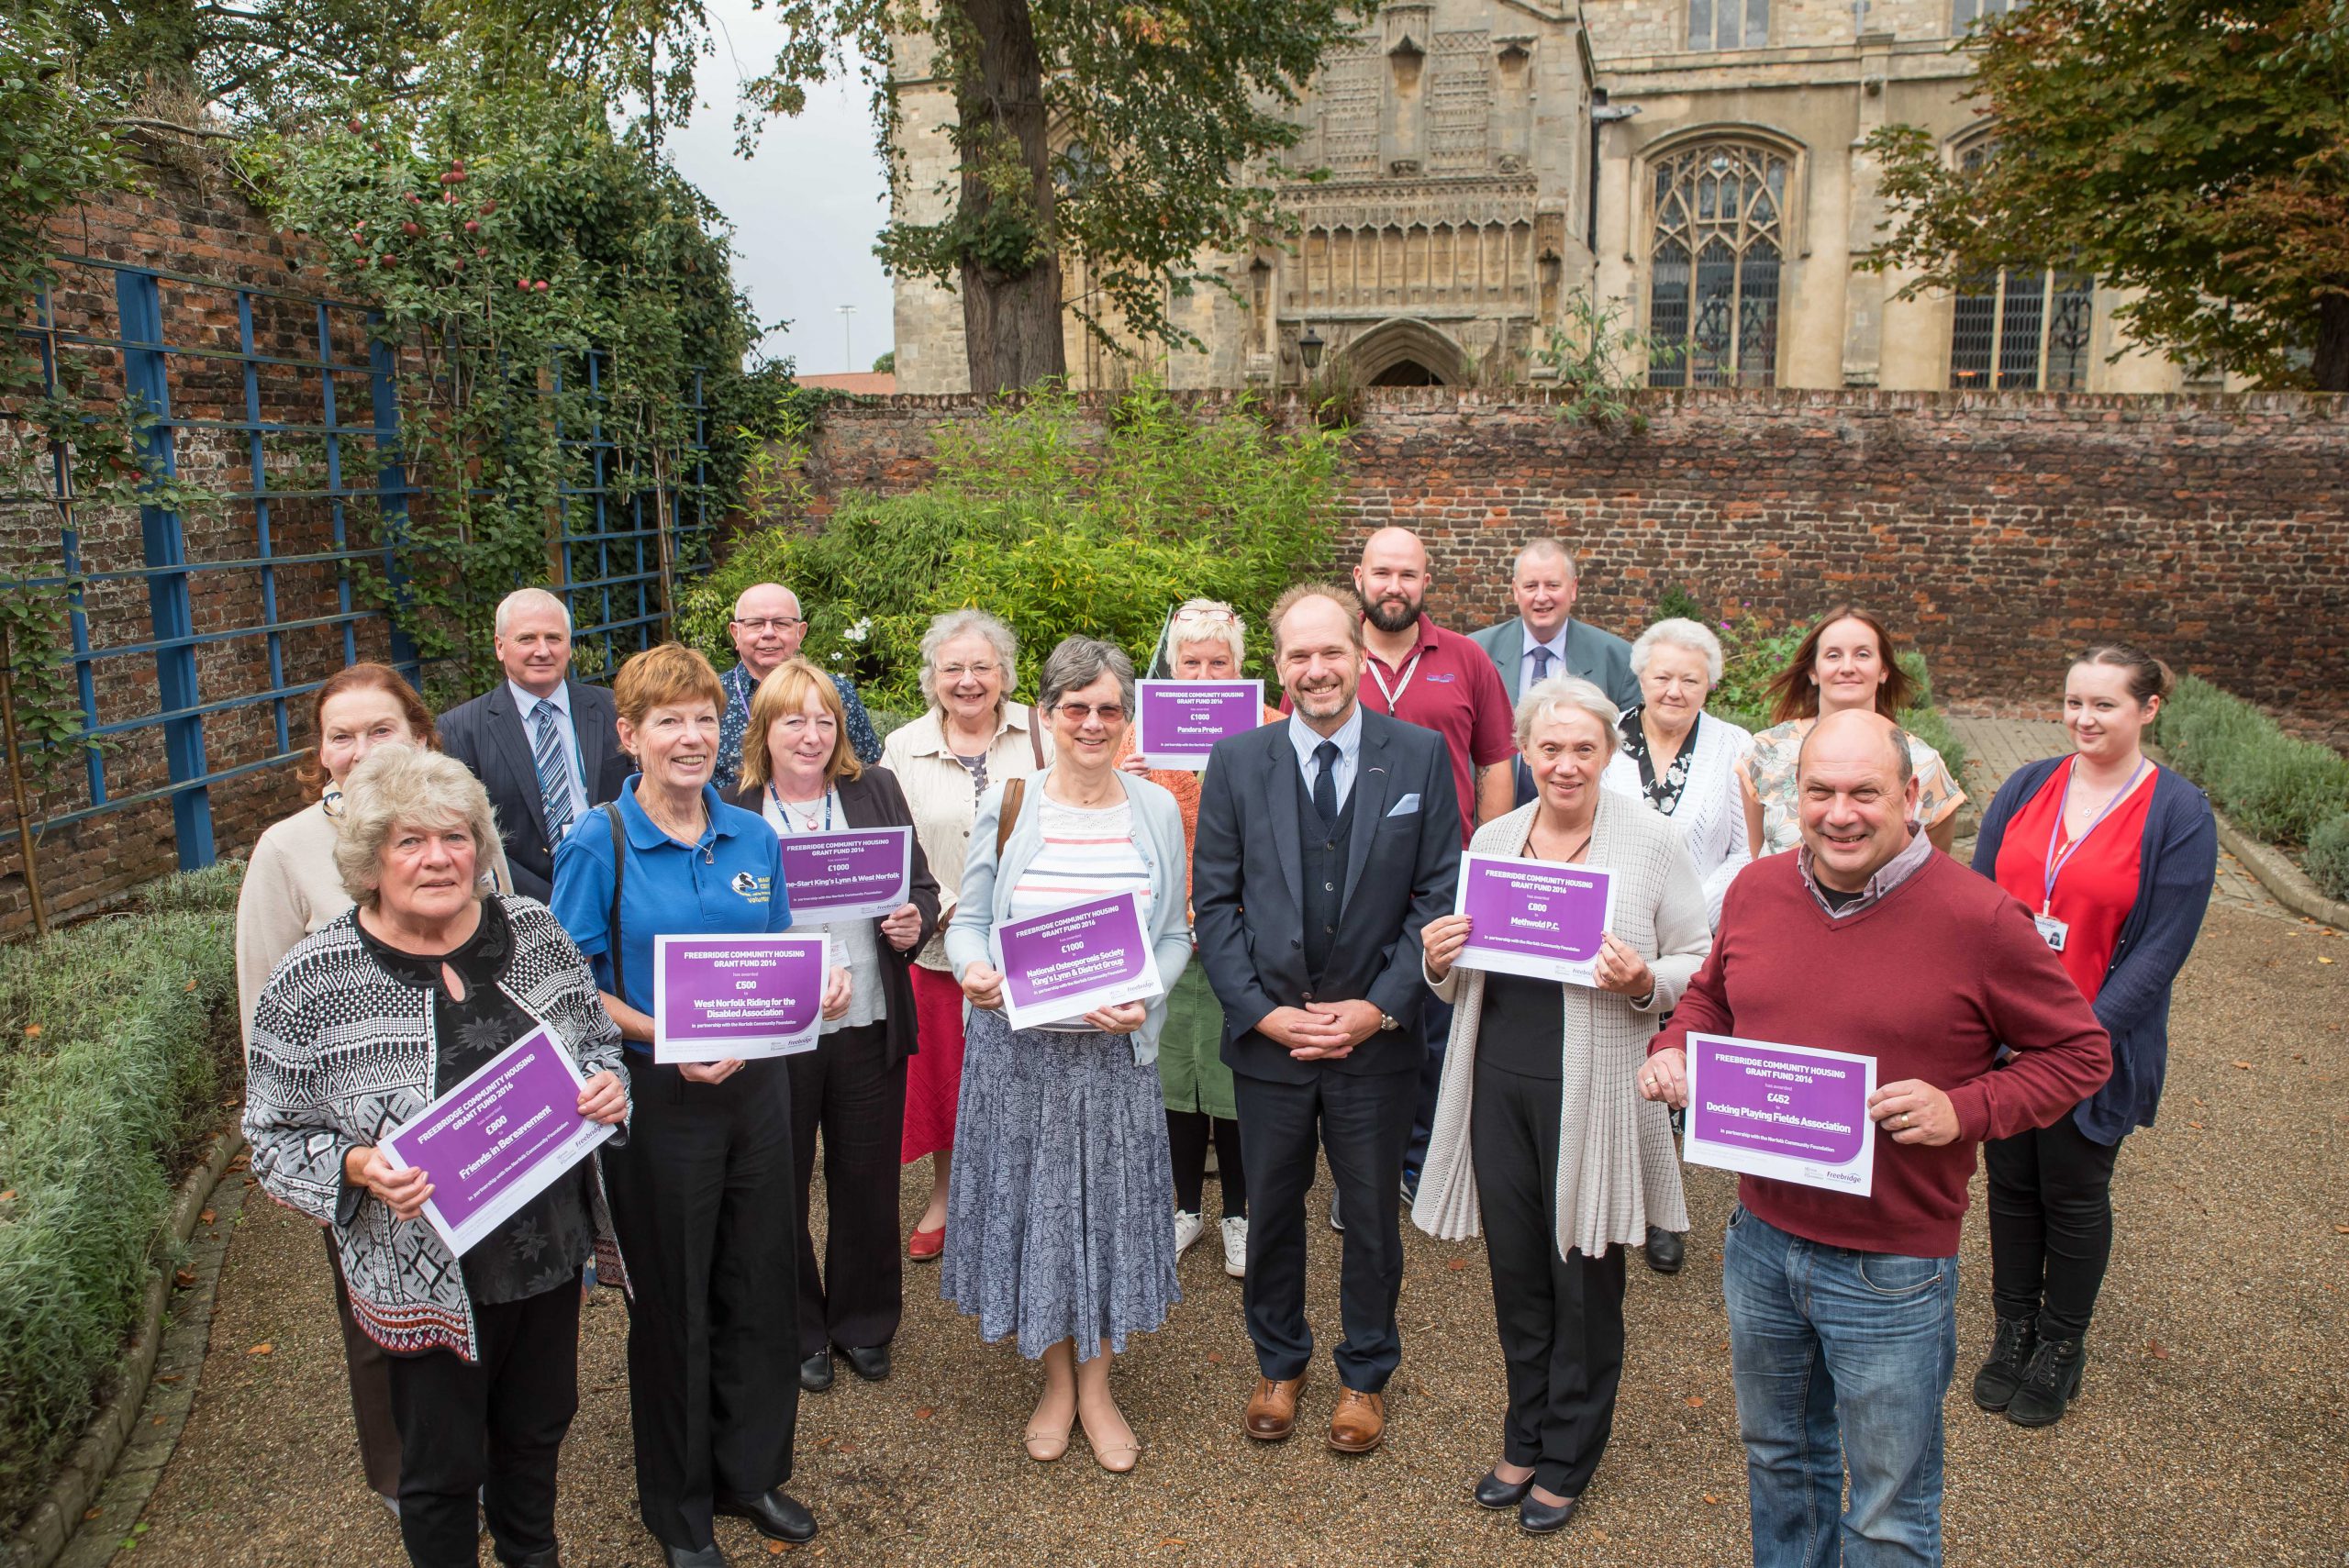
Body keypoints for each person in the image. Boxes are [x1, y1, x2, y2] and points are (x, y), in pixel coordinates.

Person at [1642, 710, 2111, 1568]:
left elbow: (2082, 1051)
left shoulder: (1979, 918)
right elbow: (1712, 996)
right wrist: (1675, 1043)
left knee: (1890, 1503)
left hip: (1891, 1265)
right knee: (1781, 1461)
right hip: (1760, 1242)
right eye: (1819, 791)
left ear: (1913, 796)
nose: (1840, 812)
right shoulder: (1758, 889)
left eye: (1865, 791)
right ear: (1794, 798)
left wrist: (1962, 1109)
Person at [243, 746, 629, 1568]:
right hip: (421, 1273)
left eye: (456, 837)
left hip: (548, 1252)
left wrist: (607, 1084)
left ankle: (534, 1556)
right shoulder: (313, 980)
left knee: (534, 1438)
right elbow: (270, 1138)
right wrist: (353, 1166)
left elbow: (595, 1044)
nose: (439, 858)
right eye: (410, 842)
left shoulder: (535, 931)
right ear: (370, 859)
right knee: (442, 1470)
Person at [550, 643, 846, 1568]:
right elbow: (568, 983)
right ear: (629, 733)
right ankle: (677, 1506)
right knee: (674, 1298)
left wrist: (816, 989)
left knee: (759, 1279)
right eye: (666, 719)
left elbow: (775, 953)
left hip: (757, 1088)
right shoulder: (597, 839)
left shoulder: (753, 834)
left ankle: (749, 1469)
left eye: (703, 718)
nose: (688, 736)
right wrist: (667, 1038)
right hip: (659, 1101)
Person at [1413, 675, 1711, 1536]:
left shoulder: (1650, 841)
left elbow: (1702, 957)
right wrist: (1439, 958)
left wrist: (1648, 980)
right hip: (1498, 1078)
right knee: (1517, 1272)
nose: (1566, 764)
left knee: (1582, 1273)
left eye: (1584, 748)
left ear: (1608, 755)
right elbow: (1461, 973)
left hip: (1599, 1086)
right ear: (1527, 752)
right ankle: (1525, 1430)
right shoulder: (1500, 834)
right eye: (1550, 747)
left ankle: (1571, 1450)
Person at [234, 662, 511, 1514]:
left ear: (421, 735)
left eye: (378, 730)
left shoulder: (460, 821)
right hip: (365, 1149)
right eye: (340, 736)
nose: (359, 751)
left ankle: (490, 1444)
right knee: (378, 1307)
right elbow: (262, 1008)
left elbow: (501, 944)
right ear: (320, 754)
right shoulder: (286, 849)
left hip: (480, 1119)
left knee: (491, 1286)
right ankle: (404, 1473)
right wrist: (317, 1150)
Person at [1193, 583, 1462, 1457]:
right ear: (1280, 666)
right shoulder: (1237, 761)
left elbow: (1437, 895)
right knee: (1270, 1209)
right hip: (1271, 1044)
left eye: (1332, 652)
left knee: (1372, 1218)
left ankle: (1364, 1374)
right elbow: (1217, 903)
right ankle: (1279, 1361)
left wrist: (1379, 1008)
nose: (1318, 669)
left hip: (1373, 1046)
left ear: (1359, 654)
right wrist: (1265, 1014)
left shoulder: (1418, 756)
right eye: (1300, 655)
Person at [941, 638, 1193, 1473]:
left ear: (1128, 719)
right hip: (1020, 1058)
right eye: (1075, 708)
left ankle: (1098, 1386)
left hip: (1114, 1060)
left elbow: (1173, 934)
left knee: (1109, 1217)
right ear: (1045, 718)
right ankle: (1056, 1381)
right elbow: (970, 919)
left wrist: (1148, 994)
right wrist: (975, 964)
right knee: (1038, 1216)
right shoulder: (1011, 802)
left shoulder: (1155, 807)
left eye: (1109, 709)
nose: (1092, 723)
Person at [1967, 645, 2216, 1429]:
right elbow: (1975, 902)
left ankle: (2060, 1346)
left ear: (2148, 709)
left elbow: (2160, 953)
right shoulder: (2026, 784)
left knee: (2072, 1194)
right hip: (2003, 1042)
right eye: (2075, 700)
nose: (2083, 718)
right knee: (2009, 1186)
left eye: (2104, 704)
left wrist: (2072, 1040)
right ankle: (2012, 1330)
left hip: (2092, 1049)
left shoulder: (2179, 814)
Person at [728, 658, 941, 1395]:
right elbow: (726, 930)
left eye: (824, 719)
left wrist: (915, 921)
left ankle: (864, 1321)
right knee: (778, 1185)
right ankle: (799, 1326)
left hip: (868, 1023)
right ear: (765, 729)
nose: (811, 734)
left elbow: (922, 887)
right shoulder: (735, 809)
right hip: (778, 1035)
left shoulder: (875, 789)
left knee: (868, 1179)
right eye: (794, 719)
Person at [1344, 526, 1517, 1205]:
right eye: (1383, 572)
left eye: (1408, 574)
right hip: (1351, 875)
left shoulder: (1467, 659)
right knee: (1360, 1018)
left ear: (1426, 582)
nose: (1395, 586)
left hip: (1446, 871)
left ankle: (1423, 1160)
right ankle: (1361, 1170)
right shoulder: (1335, 653)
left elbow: (1495, 761)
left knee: (1435, 1027)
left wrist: (1490, 859)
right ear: (1359, 577)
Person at [1115, 598, 1281, 1279]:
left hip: (1246, 936)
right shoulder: (1137, 738)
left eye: (1219, 662)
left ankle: (1240, 1212)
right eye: (1192, 662)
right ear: (1172, 668)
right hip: (1165, 933)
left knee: (1234, 1079)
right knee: (1173, 1076)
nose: (1205, 673)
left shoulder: (1274, 732)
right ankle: (1186, 1205)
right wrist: (1127, 782)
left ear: (1239, 670)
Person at [879, 609, 1052, 1259]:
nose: (968, 680)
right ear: (933, 678)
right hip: (939, 945)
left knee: (1031, 1079)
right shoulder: (901, 746)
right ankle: (946, 1197)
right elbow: (895, 844)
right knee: (949, 1082)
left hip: (1031, 944)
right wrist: (954, 911)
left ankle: (1028, 1201)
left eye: (982, 666)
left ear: (1004, 673)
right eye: (953, 667)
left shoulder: (1043, 731)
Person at [440, 587, 629, 901]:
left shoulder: (614, 708)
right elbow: (467, 833)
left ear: (569, 645)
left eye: (553, 638)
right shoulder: (461, 728)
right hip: (524, 902)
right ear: (500, 647)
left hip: (621, 889)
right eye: (526, 639)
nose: (542, 651)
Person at [1736, 606, 1965, 859]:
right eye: (1833, 655)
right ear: (1813, 671)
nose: (1847, 667)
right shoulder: (1766, 751)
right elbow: (1758, 857)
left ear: (1883, 670)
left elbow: (1930, 870)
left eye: (1863, 655)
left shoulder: (1923, 763)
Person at [1602, 617, 1755, 931]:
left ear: (1709, 686)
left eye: (1690, 681)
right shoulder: (1601, 737)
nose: (1674, 691)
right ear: (1641, 677)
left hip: (1704, 935)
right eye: (1662, 677)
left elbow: (1748, 849)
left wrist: (1691, 919)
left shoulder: (1735, 744)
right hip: (1610, 932)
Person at [713, 582, 882, 790]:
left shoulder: (838, 692)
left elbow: (868, 768)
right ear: (735, 633)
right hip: (731, 820)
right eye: (755, 624)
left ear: (800, 633)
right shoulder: (712, 697)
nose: (768, 633)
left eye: (781, 624)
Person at [1468, 539, 1642, 711]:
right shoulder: (1475, 653)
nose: (1541, 597)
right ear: (1515, 590)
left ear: (1573, 588)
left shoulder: (1619, 659)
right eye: (1531, 586)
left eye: (1552, 585)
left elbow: (1630, 734)